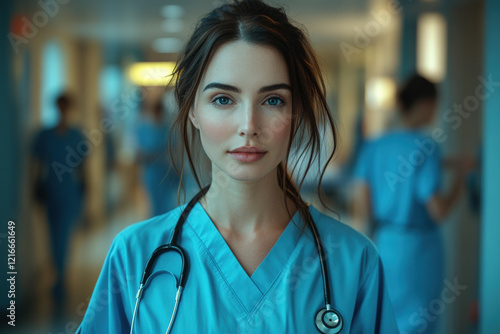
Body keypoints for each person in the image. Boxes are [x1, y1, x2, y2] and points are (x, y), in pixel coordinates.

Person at [77, 1, 398, 332]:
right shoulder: (134, 256)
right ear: (192, 110)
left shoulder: (353, 261)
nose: (248, 125)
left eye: (273, 100)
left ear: (297, 112)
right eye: (223, 99)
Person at [352, 74, 466, 333]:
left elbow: (362, 200)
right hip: (419, 249)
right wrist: (459, 181)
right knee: (419, 321)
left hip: (385, 242)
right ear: (426, 104)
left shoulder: (375, 145)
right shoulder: (426, 146)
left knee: (386, 317)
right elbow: (438, 210)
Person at [32, 93, 86, 315]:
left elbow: (83, 167)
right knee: (53, 234)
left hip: (69, 192)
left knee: (64, 234)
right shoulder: (44, 136)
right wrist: (34, 186)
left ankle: (60, 277)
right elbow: (36, 164)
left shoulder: (76, 136)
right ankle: (58, 273)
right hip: (51, 191)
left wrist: (86, 188)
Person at [135, 99, 179, 216]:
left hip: (166, 171)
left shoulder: (167, 129)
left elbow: (174, 149)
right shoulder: (143, 129)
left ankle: (167, 228)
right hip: (151, 172)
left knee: (166, 202)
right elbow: (139, 153)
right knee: (154, 202)